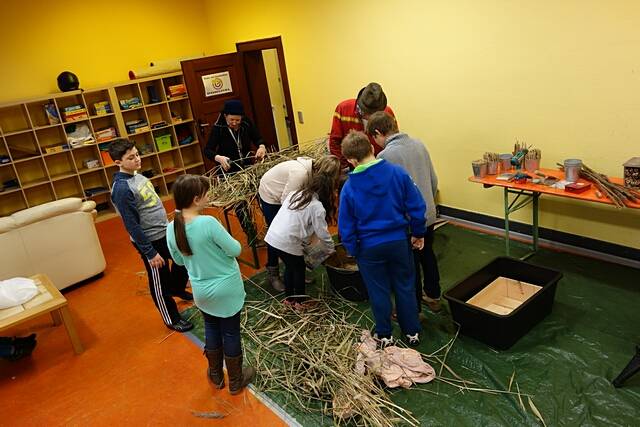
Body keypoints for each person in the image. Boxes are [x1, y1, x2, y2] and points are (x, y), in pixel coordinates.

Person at [166, 174, 255, 395]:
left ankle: (215, 374)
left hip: (201, 290)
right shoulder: (207, 223)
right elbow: (235, 249)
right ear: (196, 199)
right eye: (206, 194)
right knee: (231, 332)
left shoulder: (171, 227)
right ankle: (235, 379)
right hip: (226, 288)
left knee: (211, 328)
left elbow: (178, 260)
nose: (209, 197)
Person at [338, 131, 426, 348]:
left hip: (369, 247)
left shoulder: (349, 187)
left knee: (379, 290)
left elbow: (346, 224)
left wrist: (352, 248)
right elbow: (417, 205)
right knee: (405, 286)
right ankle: (412, 331)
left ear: (350, 159)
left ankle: (385, 334)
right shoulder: (398, 173)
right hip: (397, 241)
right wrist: (418, 232)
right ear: (371, 147)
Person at [109, 138, 194, 333]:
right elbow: (131, 225)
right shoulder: (121, 189)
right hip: (150, 241)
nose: (137, 159)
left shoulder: (137, 176)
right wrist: (149, 252)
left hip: (164, 232)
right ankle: (171, 318)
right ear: (118, 163)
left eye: (137, 154)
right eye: (131, 157)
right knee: (159, 279)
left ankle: (177, 288)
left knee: (181, 260)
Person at [367, 111, 442, 313]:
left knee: (409, 266)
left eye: (374, 139)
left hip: (407, 222)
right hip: (428, 213)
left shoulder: (384, 156)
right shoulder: (419, 144)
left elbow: (387, 195)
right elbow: (434, 181)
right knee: (427, 255)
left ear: (377, 133)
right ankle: (433, 296)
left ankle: (412, 309)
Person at [258, 155, 342, 292]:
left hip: (282, 222)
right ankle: (274, 274)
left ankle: (291, 286)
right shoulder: (301, 176)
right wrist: (328, 248)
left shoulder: (308, 185)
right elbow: (286, 202)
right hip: (271, 194)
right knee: (294, 263)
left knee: (292, 262)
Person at [204, 99, 267, 245]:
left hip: (247, 168)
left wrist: (261, 146)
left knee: (262, 195)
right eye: (232, 120)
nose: (235, 123)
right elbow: (208, 150)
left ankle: (270, 228)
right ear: (225, 116)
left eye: (238, 120)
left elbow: (258, 138)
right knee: (240, 205)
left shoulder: (246, 124)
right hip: (230, 173)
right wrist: (218, 158)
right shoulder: (218, 128)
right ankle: (252, 237)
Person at [329, 82, 395, 170]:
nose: (370, 117)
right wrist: (346, 167)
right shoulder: (343, 109)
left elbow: (392, 143)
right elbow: (335, 142)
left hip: (379, 168)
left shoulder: (387, 114)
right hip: (351, 168)